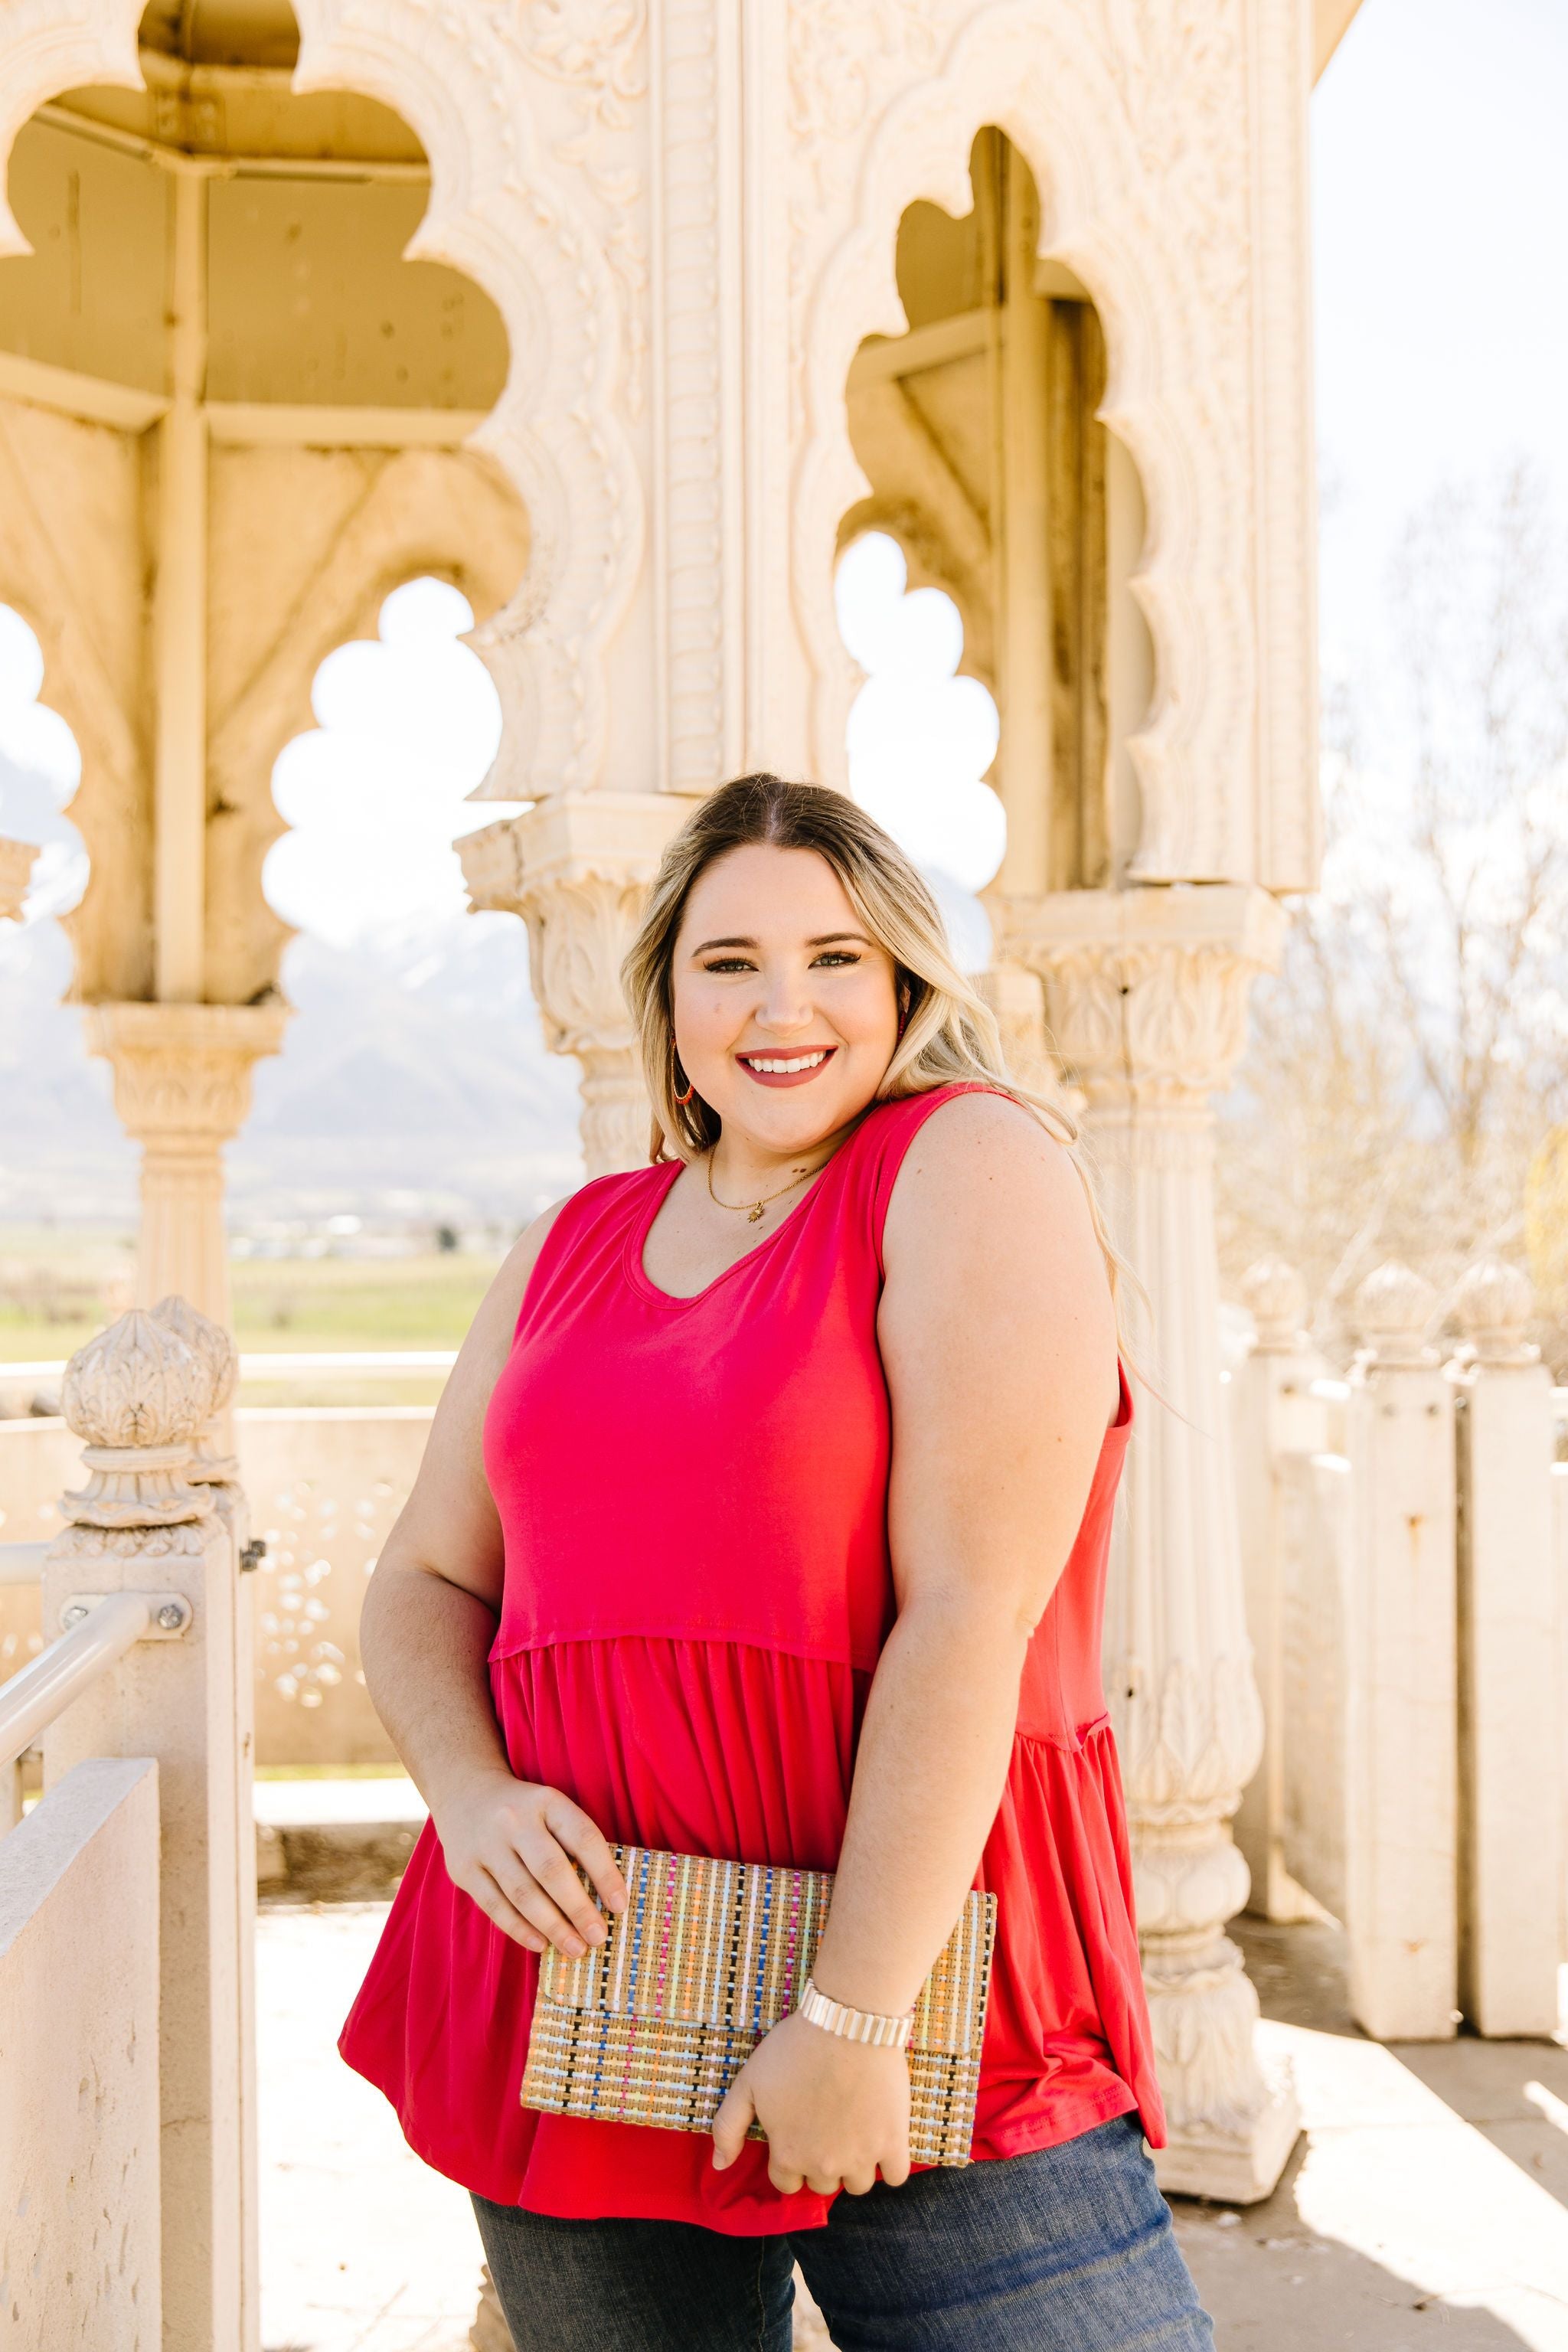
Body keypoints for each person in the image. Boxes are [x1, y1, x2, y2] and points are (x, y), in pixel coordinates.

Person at [338, 772, 1215, 2350]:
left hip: (918, 1993)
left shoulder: (965, 1162)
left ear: (901, 983)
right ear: (666, 998)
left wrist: (851, 2017)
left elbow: (969, 1611)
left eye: (832, 956)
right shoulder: (569, 1239)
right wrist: (472, 1796)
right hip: (584, 1995)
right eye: (726, 961)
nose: (779, 1004)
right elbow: (423, 1581)